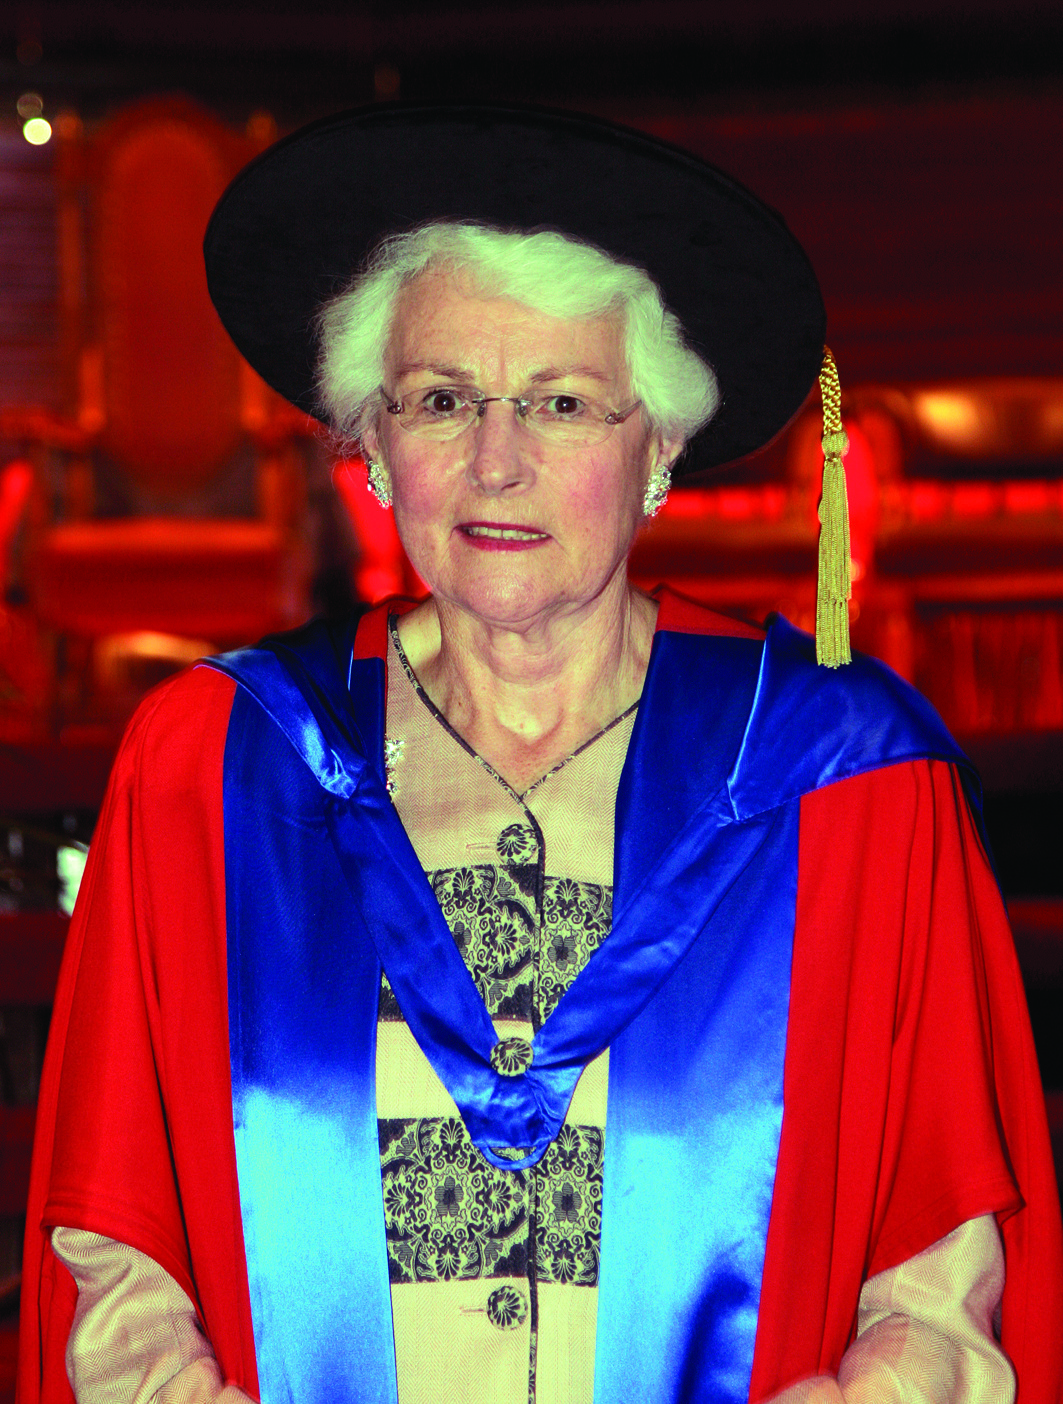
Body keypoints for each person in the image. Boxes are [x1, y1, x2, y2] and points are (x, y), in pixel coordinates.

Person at [18, 106, 1063, 1404]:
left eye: (562, 403)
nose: (495, 463)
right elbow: (115, 1260)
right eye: (441, 400)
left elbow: (942, 1291)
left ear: (658, 450)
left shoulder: (845, 784)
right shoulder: (217, 771)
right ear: (375, 447)